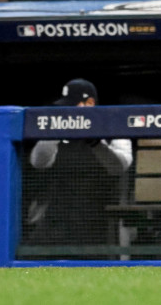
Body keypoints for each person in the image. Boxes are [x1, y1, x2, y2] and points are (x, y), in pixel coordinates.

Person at [27, 79, 133, 246]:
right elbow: (38, 162)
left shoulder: (113, 126)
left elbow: (119, 167)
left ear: (90, 103)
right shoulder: (59, 128)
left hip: (100, 216)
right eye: (64, 107)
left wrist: (96, 143)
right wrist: (53, 131)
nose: (67, 111)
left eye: (71, 106)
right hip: (59, 217)